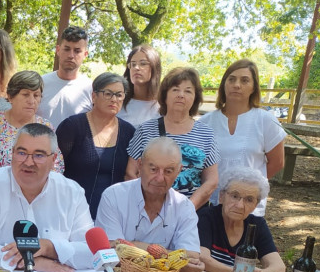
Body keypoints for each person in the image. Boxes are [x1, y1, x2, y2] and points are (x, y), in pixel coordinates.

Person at [0, 123, 94, 272]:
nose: (29, 162)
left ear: (53, 159)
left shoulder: (71, 192)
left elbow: (91, 252)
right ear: (12, 153)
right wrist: (30, 261)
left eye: (39, 155)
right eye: (22, 153)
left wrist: (48, 247)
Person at [96, 137, 204, 272]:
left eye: (168, 171)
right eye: (153, 169)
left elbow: (191, 258)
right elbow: (112, 254)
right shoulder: (114, 196)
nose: (159, 178)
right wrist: (171, 258)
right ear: (140, 166)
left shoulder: (184, 206)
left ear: (179, 171)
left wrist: (135, 246)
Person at [199, 59, 286, 216]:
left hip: (248, 207)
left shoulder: (265, 120)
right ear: (224, 84)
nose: (236, 85)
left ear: (253, 87)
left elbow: (277, 162)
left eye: (244, 80)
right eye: (231, 79)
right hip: (213, 204)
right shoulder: (206, 122)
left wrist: (248, 188)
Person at [126, 67, 219, 209]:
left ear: (195, 98)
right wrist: (148, 205)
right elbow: (130, 173)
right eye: (175, 89)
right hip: (149, 211)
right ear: (165, 95)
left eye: (188, 91)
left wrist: (187, 209)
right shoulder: (145, 130)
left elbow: (211, 180)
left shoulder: (206, 134)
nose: (181, 95)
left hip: (191, 212)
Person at [57, 72, 136, 220]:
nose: (114, 99)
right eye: (108, 94)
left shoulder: (129, 132)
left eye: (119, 95)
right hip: (71, 213)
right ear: (94, 96)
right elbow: (55, 169)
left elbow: (132, 178)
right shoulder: (72, 126)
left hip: (113, 216)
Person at [0, 70, 64, 183]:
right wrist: (1, 197)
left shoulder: (46, 127)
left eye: (36, 95)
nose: (31, 101)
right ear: (10, 96)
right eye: (25, 94)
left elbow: (56, 167)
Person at [197, 167, 285, 272]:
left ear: (255, 205)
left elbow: (279, 266)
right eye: (234, 196)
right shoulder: (206, 217)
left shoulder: (257, 225)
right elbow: (202, 258)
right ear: (221, 196)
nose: (239, 205)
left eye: (249, 199)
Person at [36, 26, 92, 128]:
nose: (71, 55)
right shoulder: (39, 84)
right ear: (58, 50)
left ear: (85, 54)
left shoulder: (91, 89)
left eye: (77, 51)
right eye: (66, 49)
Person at [117, 44, 162, 127]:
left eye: (143, 64)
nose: (136, 68)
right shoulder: (118, 102)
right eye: (133, 64)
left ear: (154, 67)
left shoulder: (164, 105)